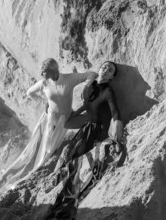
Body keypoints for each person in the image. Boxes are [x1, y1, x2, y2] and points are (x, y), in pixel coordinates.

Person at [0, 58, 97, 201]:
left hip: (65, 122)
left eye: (44, 72)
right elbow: (29, 92)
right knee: (31, 156)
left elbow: (92, 74)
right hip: (48, 123)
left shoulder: (69, 79)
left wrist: (86, 87)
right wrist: (44, 102)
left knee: (45, 155)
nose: (41, 74)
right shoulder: (44, 83)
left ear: (53, 71)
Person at [45, 61, 124, 219]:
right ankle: (57, 189)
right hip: (87, 126)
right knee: (68, 154)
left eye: (110, 70)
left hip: (97, 131)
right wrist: (76, 113)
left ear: (111, 77)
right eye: (105, 67)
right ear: (100, 69)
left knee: (76, 161)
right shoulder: (91, 85)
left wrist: (117, 130)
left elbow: (115, 113)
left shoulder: (108, 91)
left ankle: (66, 202)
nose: (106, 70)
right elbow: (88, 105)